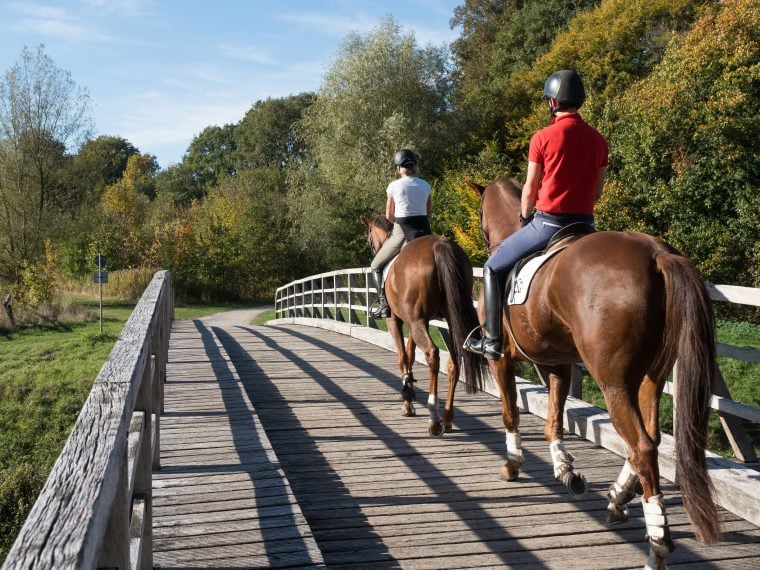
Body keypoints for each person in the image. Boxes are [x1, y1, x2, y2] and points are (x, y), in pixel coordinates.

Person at [464, 69, 608, 360]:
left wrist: (525, 214)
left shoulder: (542, 137)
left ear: (553, 102)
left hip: (548, 223)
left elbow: (529, 189)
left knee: (492, 267)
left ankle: (492, 340)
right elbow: (597, 192)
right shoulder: (598, 140)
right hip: (585, 226)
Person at [369, 149, 432, 318]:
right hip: (425, 231)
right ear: (414, 166)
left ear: (398, 169)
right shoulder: (425, 185)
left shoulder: (394, 186)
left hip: (401, 231)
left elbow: (389, 216)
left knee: (375, 265)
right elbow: (428, 212)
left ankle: (383, 304)